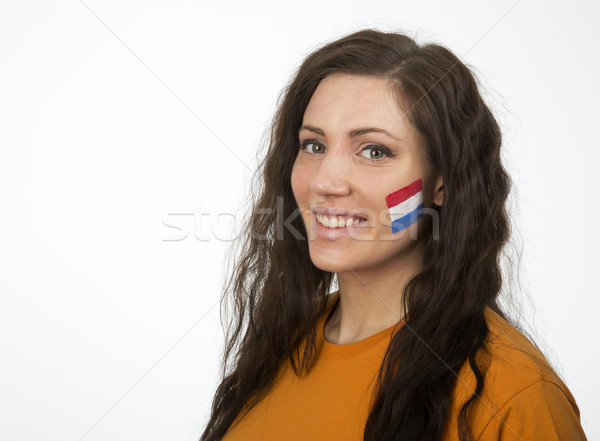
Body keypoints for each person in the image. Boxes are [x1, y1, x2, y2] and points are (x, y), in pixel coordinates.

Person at [199, 28, 588, 441]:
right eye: (314, 145)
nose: (326, 182)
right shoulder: (283, 344)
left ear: (443, 183)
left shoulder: (513, 392)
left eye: (374, 151)